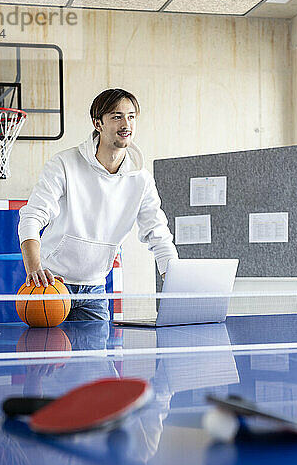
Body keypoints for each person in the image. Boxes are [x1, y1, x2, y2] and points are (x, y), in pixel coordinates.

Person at [18, 88, 178, 320]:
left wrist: (173, 278)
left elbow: (158, 233)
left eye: (131, 116)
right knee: (48, 354)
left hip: (95, 290)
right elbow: (31, 218)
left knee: (97, 357)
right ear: (98, 123)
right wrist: (34, 269)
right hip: (52, 286)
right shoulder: (64, 164)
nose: (126, 124)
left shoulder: (141, 179)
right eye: (116, 116)